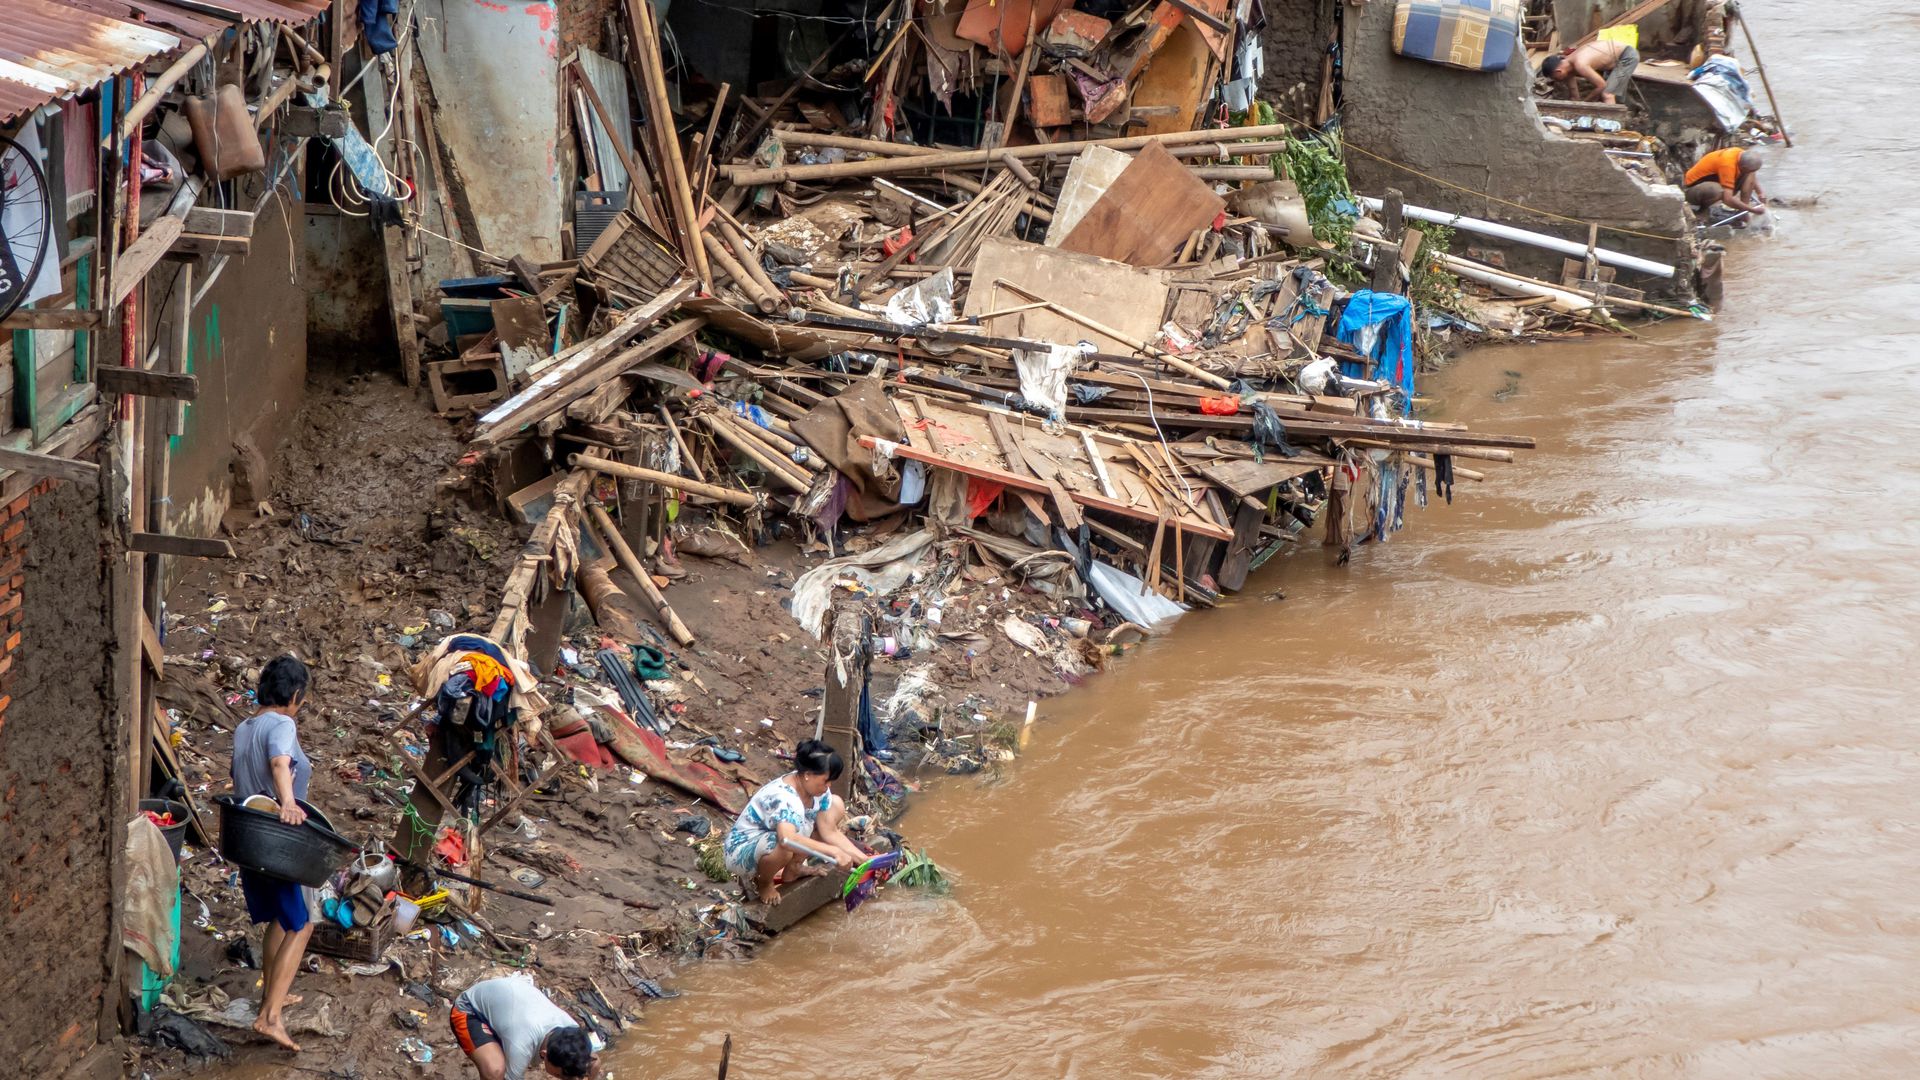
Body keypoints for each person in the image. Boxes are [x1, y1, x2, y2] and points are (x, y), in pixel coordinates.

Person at [230, 655, 316, 1053]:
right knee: (303, 923)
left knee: (280, 922)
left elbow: (241, 779)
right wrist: (288, 803)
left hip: (250, 836)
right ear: (294, 695)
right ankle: (270, 1016)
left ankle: (274, 994)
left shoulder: (244, 727)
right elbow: (280, 763)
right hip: (279, 837)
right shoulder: (282, 723)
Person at [723, 739, 869, 904]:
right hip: (743, 848)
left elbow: (829, 831)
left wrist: (863, 860)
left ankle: (794, 868)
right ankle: (764, 883)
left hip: (777, 837)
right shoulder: (785, 797)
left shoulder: (818, 792)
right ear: (807, 775)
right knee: (783, 845)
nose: (828, 786)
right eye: (825, 780)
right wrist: (834, 852)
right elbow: (787, 840)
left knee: (835, 804)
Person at [450, 974, 596, 1080]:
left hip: (507, 1009)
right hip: (470, 1010)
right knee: (495, 1071)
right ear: (544, 1054)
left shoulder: (574, 1032)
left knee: (592, 1065)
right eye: (558, 1076)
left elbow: (595, 1062)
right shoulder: (522, 1043)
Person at [1541, 38, 1640, 105]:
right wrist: (1575, 105)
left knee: (1607, 94)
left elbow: (1602, 85)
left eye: (1554, 78)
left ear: (1558, 71)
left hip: (1626, 55)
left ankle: (1612, 128)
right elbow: (1574, 95)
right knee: (1611, 94)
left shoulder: (1580, 64)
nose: (1557, 81)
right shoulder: (1567, 66)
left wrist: (1585, 103)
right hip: (1612, 60)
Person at [1684, 146, 1767, 215]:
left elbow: (1751, 176)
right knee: (1717, 191)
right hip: (1692, 189)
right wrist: (1752, 210)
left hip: (1714, 180)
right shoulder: (1727, 165)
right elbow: (1728, 199)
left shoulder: (1741, 154)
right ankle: (1702, 212)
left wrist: (1760, 192)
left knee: (1750, 174)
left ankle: (1743, 213)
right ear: (1743, 168)